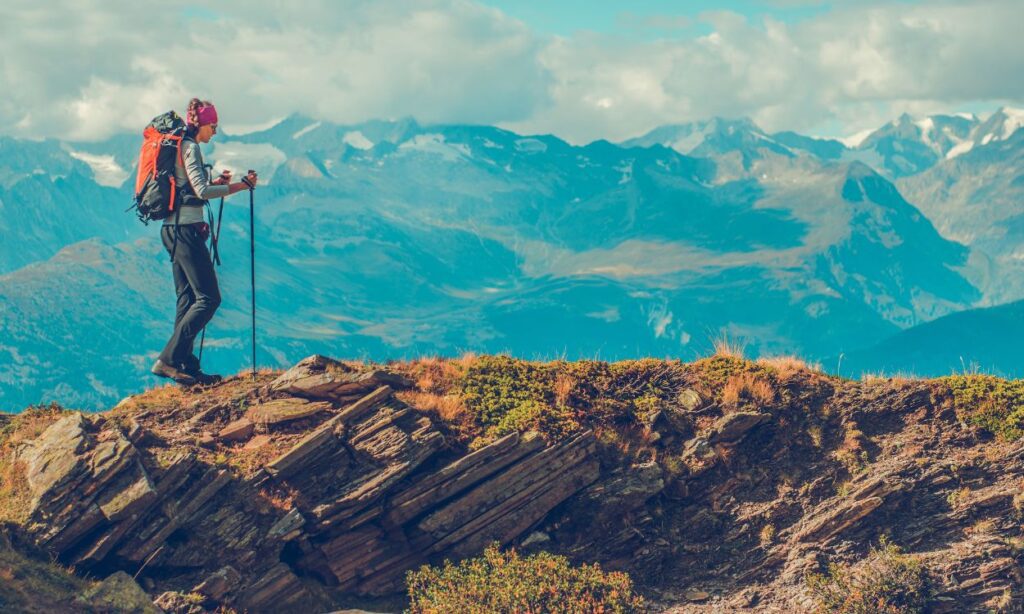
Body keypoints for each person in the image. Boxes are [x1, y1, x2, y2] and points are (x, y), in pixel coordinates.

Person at [150, 98, 258, 385]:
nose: (215, 132)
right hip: (185, 231)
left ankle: (185, 365)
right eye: (213, 126)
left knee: (186, 300)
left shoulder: (179, 146)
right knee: (209, 298)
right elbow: (201, 191)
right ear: (203, 124)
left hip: (171, 230)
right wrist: (240, 186)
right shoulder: (190, 147)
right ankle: (168, 360)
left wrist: (216, 179)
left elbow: (188, 183)